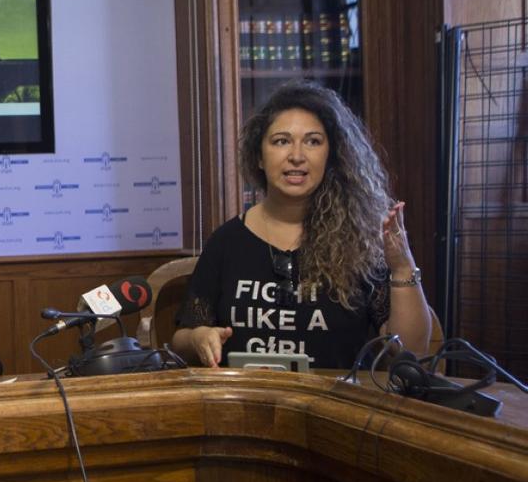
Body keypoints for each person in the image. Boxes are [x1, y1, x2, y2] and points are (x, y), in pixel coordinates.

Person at [172, 81, 431, 369]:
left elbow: (413, 350)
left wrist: (402, 267)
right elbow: (181, 341)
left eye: (313, 141)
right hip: (247, 404)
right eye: (281, 141)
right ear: (259, 156)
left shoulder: (361, 241)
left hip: (335, 407)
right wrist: (199, 337)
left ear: (331, 156)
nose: (297, 155)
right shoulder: (226, 241)